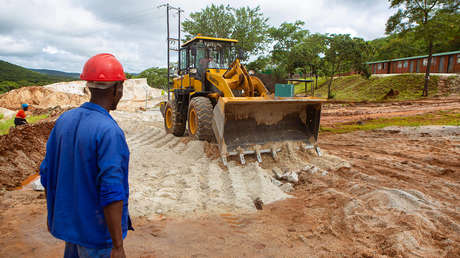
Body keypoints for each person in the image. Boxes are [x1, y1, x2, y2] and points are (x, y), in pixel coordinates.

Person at [40, 53, 132, 258]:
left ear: (89, 87)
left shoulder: (64, 121)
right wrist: (117, 246)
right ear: (117, 89)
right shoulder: (109, 131)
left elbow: (46, 175)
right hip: (97, 236)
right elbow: (112, 190)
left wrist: (52, 215)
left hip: (70, 231)